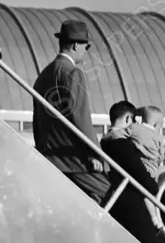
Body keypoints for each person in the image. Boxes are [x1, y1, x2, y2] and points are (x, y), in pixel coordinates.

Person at [32, 20, 109, 203]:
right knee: (112, 197)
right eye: (86, 46)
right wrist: (95, 154)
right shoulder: (73, 73)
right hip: (73, 160)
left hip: (49, 157)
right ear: (76, 45)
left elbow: (37, 120)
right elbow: (79, 117)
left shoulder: (43, 75)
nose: (86, 51)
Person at [100, 101, 162, 243]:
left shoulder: (104, 142)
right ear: (128, 118)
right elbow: (139, 173)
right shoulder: (123, 144)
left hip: (116, 201)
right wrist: (153, 186)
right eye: (134, 120)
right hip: (132, 205)